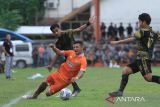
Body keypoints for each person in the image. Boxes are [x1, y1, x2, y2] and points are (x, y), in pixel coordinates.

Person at [109, 13, 160, 97]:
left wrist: (117, 42)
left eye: (139, 21)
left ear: (144, 22)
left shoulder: (141, 32)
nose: (138, 23)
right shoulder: (155, 33)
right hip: (141, 59)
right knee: (126, 70)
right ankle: (120, 92)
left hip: (143, 59)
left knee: (148, 78)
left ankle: (120, 92)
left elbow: (131, 39)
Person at [47, 16, 94, 97]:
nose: (56, 33)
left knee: (66, 74)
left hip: (76, 56)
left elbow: (79, 29)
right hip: (68, 57)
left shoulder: (68, 32)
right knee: (63, 73)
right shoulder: (58, 43)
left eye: (56, 31)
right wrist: (51, 64)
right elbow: (58, 53)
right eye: (54, 32)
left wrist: (88, 23)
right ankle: (68, 89)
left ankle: (68, 90)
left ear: (59, 28)